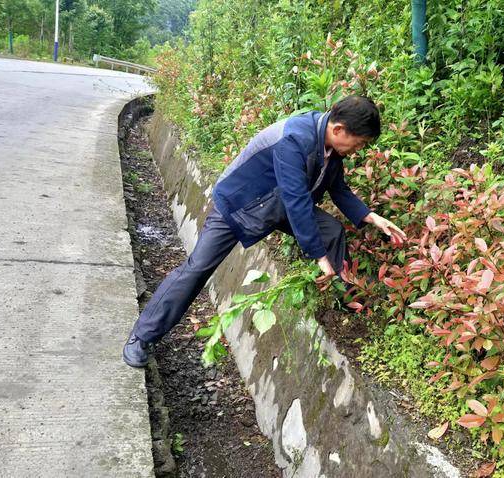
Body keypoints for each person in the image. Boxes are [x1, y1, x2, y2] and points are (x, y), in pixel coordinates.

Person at [123, 95, 407, 367]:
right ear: (339, 129)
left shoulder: (330, 146)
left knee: (331, 230)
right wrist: (318, 255)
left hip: (275, 204)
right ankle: (143, 336)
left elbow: (338, 190)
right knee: (197, 268)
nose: (357, 150)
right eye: (359, 143)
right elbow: (296, 201)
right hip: (239, 204)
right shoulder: (295, 139)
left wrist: (372, 217)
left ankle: (344, 306)